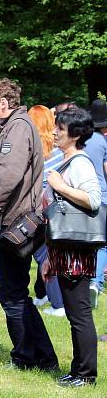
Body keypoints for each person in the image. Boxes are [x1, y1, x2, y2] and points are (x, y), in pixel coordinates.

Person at [0, 78, 58, 372]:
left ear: (4, 104)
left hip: (12, 224)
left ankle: (24, 357)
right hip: (9, 221)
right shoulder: (8, 128)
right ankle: (44, 359)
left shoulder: (18, 129)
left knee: (12, 295)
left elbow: (6, 180)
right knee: (16, 293)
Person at [42, 108, 100, 387]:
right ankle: (78, 370)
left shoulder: (80, 163)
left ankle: (86, 374)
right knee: (75, 313)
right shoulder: (66, 161)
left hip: (77, 251)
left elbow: (94, 200)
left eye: (60, 130)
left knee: (80, 314)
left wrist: (60, 186)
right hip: (64, 250)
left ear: (75, 135)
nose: (54, 133)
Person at [28, 104, 66, 316]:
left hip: (41, 208)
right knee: (44, 252)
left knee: (44, 254)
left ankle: (58, 304)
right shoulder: (59, 150)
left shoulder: (33, 149)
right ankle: (42, 295)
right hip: (56, 206)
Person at [85, 99, 107, 309]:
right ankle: (95, 282)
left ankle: (83, 279)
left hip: (81, 195)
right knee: (102, 244)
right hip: (102, 196)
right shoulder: (103, 142)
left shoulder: (83, 138)